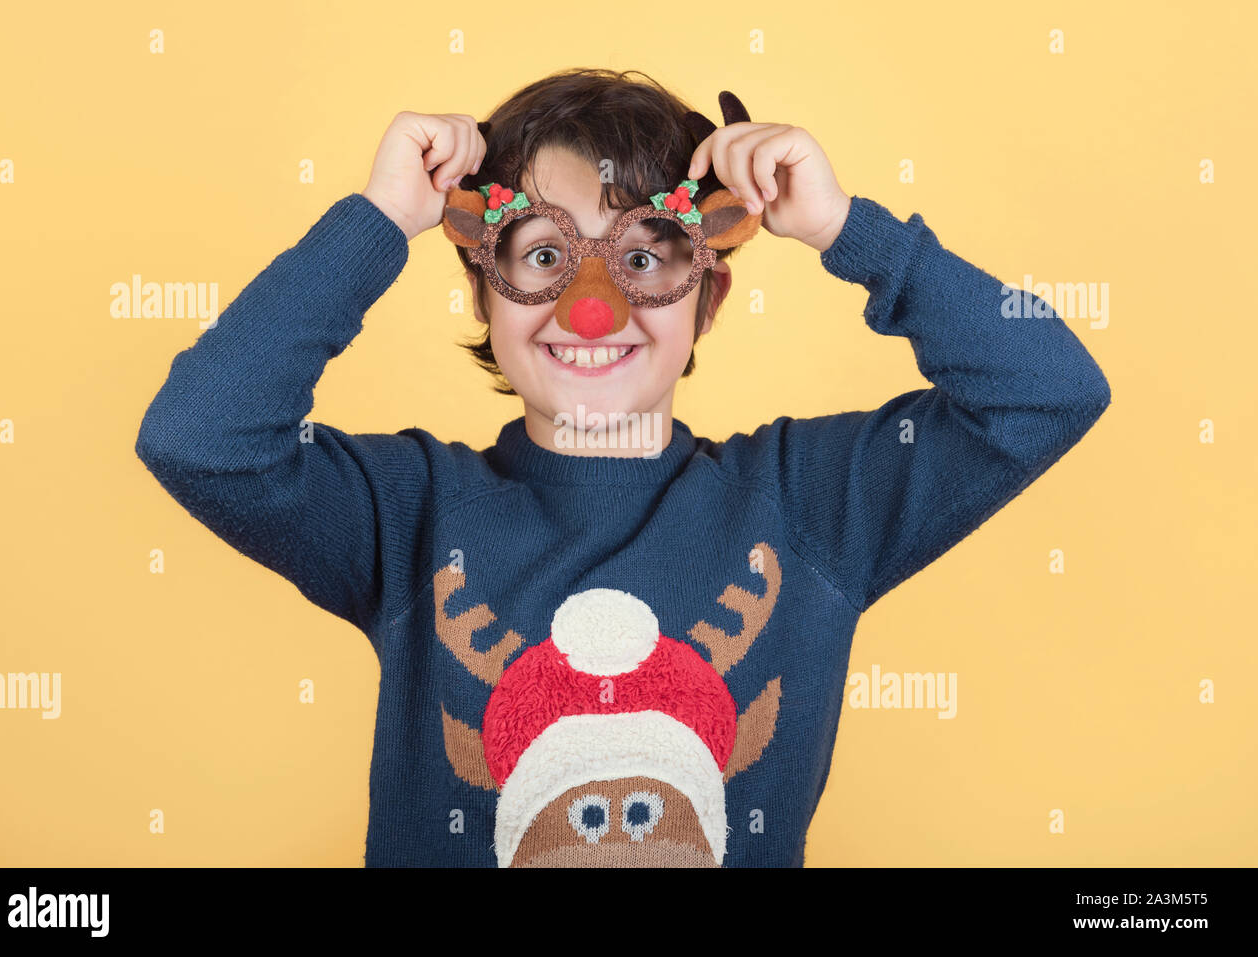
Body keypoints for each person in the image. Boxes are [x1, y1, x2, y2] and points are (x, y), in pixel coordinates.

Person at [134, 69, 1112, 867]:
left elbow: (1045, 391)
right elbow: (200, 437)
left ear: (709, 297)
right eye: (540, 253)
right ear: (483, 290)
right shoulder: (409, 513)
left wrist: (840, 226)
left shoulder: (810, 504)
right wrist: (379, 219)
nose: (588, 307)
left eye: (645, 258)